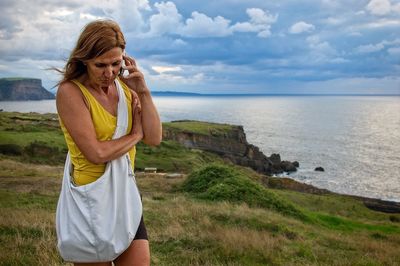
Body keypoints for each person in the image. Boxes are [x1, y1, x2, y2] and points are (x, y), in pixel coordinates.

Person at [56, 19, 161, 266]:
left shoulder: (125, 87)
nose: (109, 73)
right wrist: (135, 136)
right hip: (91, 202)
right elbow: (96, 153)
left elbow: (154, 138)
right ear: (84, 60)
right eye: (100, 65)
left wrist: (143, 91)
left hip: (125, 194)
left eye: (116, 64)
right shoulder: (70, 92)